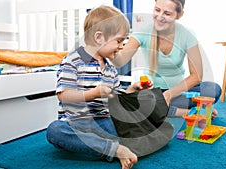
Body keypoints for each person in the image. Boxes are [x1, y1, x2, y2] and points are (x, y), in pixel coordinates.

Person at [46, 5, 152, 169]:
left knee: (127, 122)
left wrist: (132, 89)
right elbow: (64, 95)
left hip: (103, 120)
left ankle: (109, 147)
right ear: (99, 37)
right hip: (76, 123)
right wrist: (94, 93)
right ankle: (115, 149)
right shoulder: (73, 61)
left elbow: (116, 98)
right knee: (55, 130)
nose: (121, 46)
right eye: (118, 41)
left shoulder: (110, 68)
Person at [111, 0, 221, 119]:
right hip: (152, 93)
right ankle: (191, 110)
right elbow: (119, 61)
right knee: (143, 100)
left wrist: (168, 95)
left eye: (167, 13)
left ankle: (165, 108)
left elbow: (196, 76)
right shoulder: (143, 32)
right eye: (157, 10)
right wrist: (109, 44)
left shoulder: (187, 34)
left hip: (178, 92)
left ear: (179, 15)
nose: (159, 17)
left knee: (212, 89)